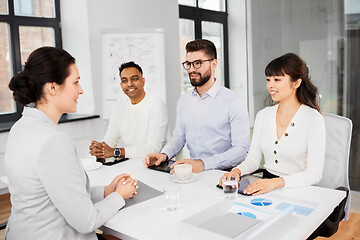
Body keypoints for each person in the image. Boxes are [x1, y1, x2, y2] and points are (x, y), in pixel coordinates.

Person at [5, 47, 138, 240]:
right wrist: (119, 196)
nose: (81, 90)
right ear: (52, 88)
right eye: (75, 82)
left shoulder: (20, 127)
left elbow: (58, 194)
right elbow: (87, 221)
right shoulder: (53, 140)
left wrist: (106, 190)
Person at [219, 53, 326, 195]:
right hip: (265, 187)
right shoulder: (263, 115)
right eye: (268, 79)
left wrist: (276, 183)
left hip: (298, 189)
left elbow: (314, 174)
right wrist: (236, 171)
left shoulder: (313, 119)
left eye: (277, 79)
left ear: (296, 83)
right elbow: (253, 160)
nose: (270, 85)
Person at [144, 39, 250, 173]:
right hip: (193, 173)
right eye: (188, 64)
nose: (192, 69)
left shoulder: (233, 101)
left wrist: (203, 164)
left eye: (198, 63)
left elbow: (241, 150)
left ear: (214, 64)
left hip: (225, 174)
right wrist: (164, 154)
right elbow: (179, 137)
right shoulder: (184, 100)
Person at [89, 61, 168, 160]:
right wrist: (101, 149)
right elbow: (110, 139)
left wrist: (115, 152)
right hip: (129, 163)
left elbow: (154, 149)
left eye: (134, 79)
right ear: (121, 84)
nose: (130, 84)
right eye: (124, 81)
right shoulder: (119, 106)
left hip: (155, 165)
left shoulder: (156, 105)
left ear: (143, 81)